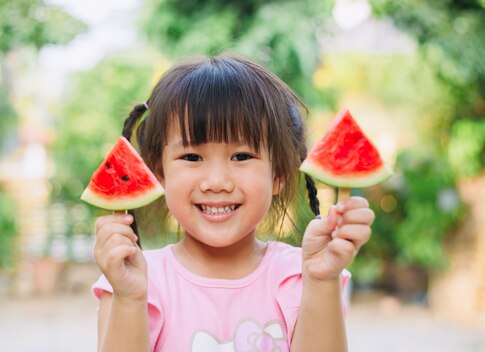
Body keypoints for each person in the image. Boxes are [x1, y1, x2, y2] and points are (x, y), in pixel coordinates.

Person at [91, 54, 374, 352]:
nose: (217, 181)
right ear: (158, 173)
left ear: (277, 173)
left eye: (241, 156)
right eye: (191, 157)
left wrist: (319, 281)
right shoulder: (134, 279)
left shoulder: (301, 276)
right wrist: (130, 298)